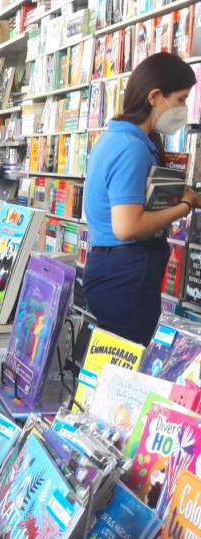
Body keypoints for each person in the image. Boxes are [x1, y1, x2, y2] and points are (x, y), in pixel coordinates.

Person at [83, 52, 201, 345]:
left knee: (115, 363)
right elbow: (128, 227)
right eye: (181, 100)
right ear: (155, 97)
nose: (183, 109)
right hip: (124, 274)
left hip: (116, 271)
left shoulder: (119, 138)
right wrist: (183, 207)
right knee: (125, 371)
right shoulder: (130, 147)